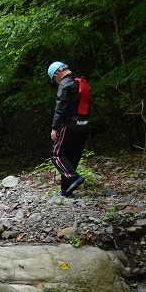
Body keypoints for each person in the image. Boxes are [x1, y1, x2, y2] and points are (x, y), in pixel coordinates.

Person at [48, 61, 91, 198]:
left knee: (56, 154)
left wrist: (55, 128)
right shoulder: (82, 80)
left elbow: (60, 108)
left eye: (55, 79)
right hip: (84, 125)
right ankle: (66, 190)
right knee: (71, 158)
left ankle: (74, 177)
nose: (56, 82)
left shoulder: (65, 83)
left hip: (70, 125)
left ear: (58, 73)